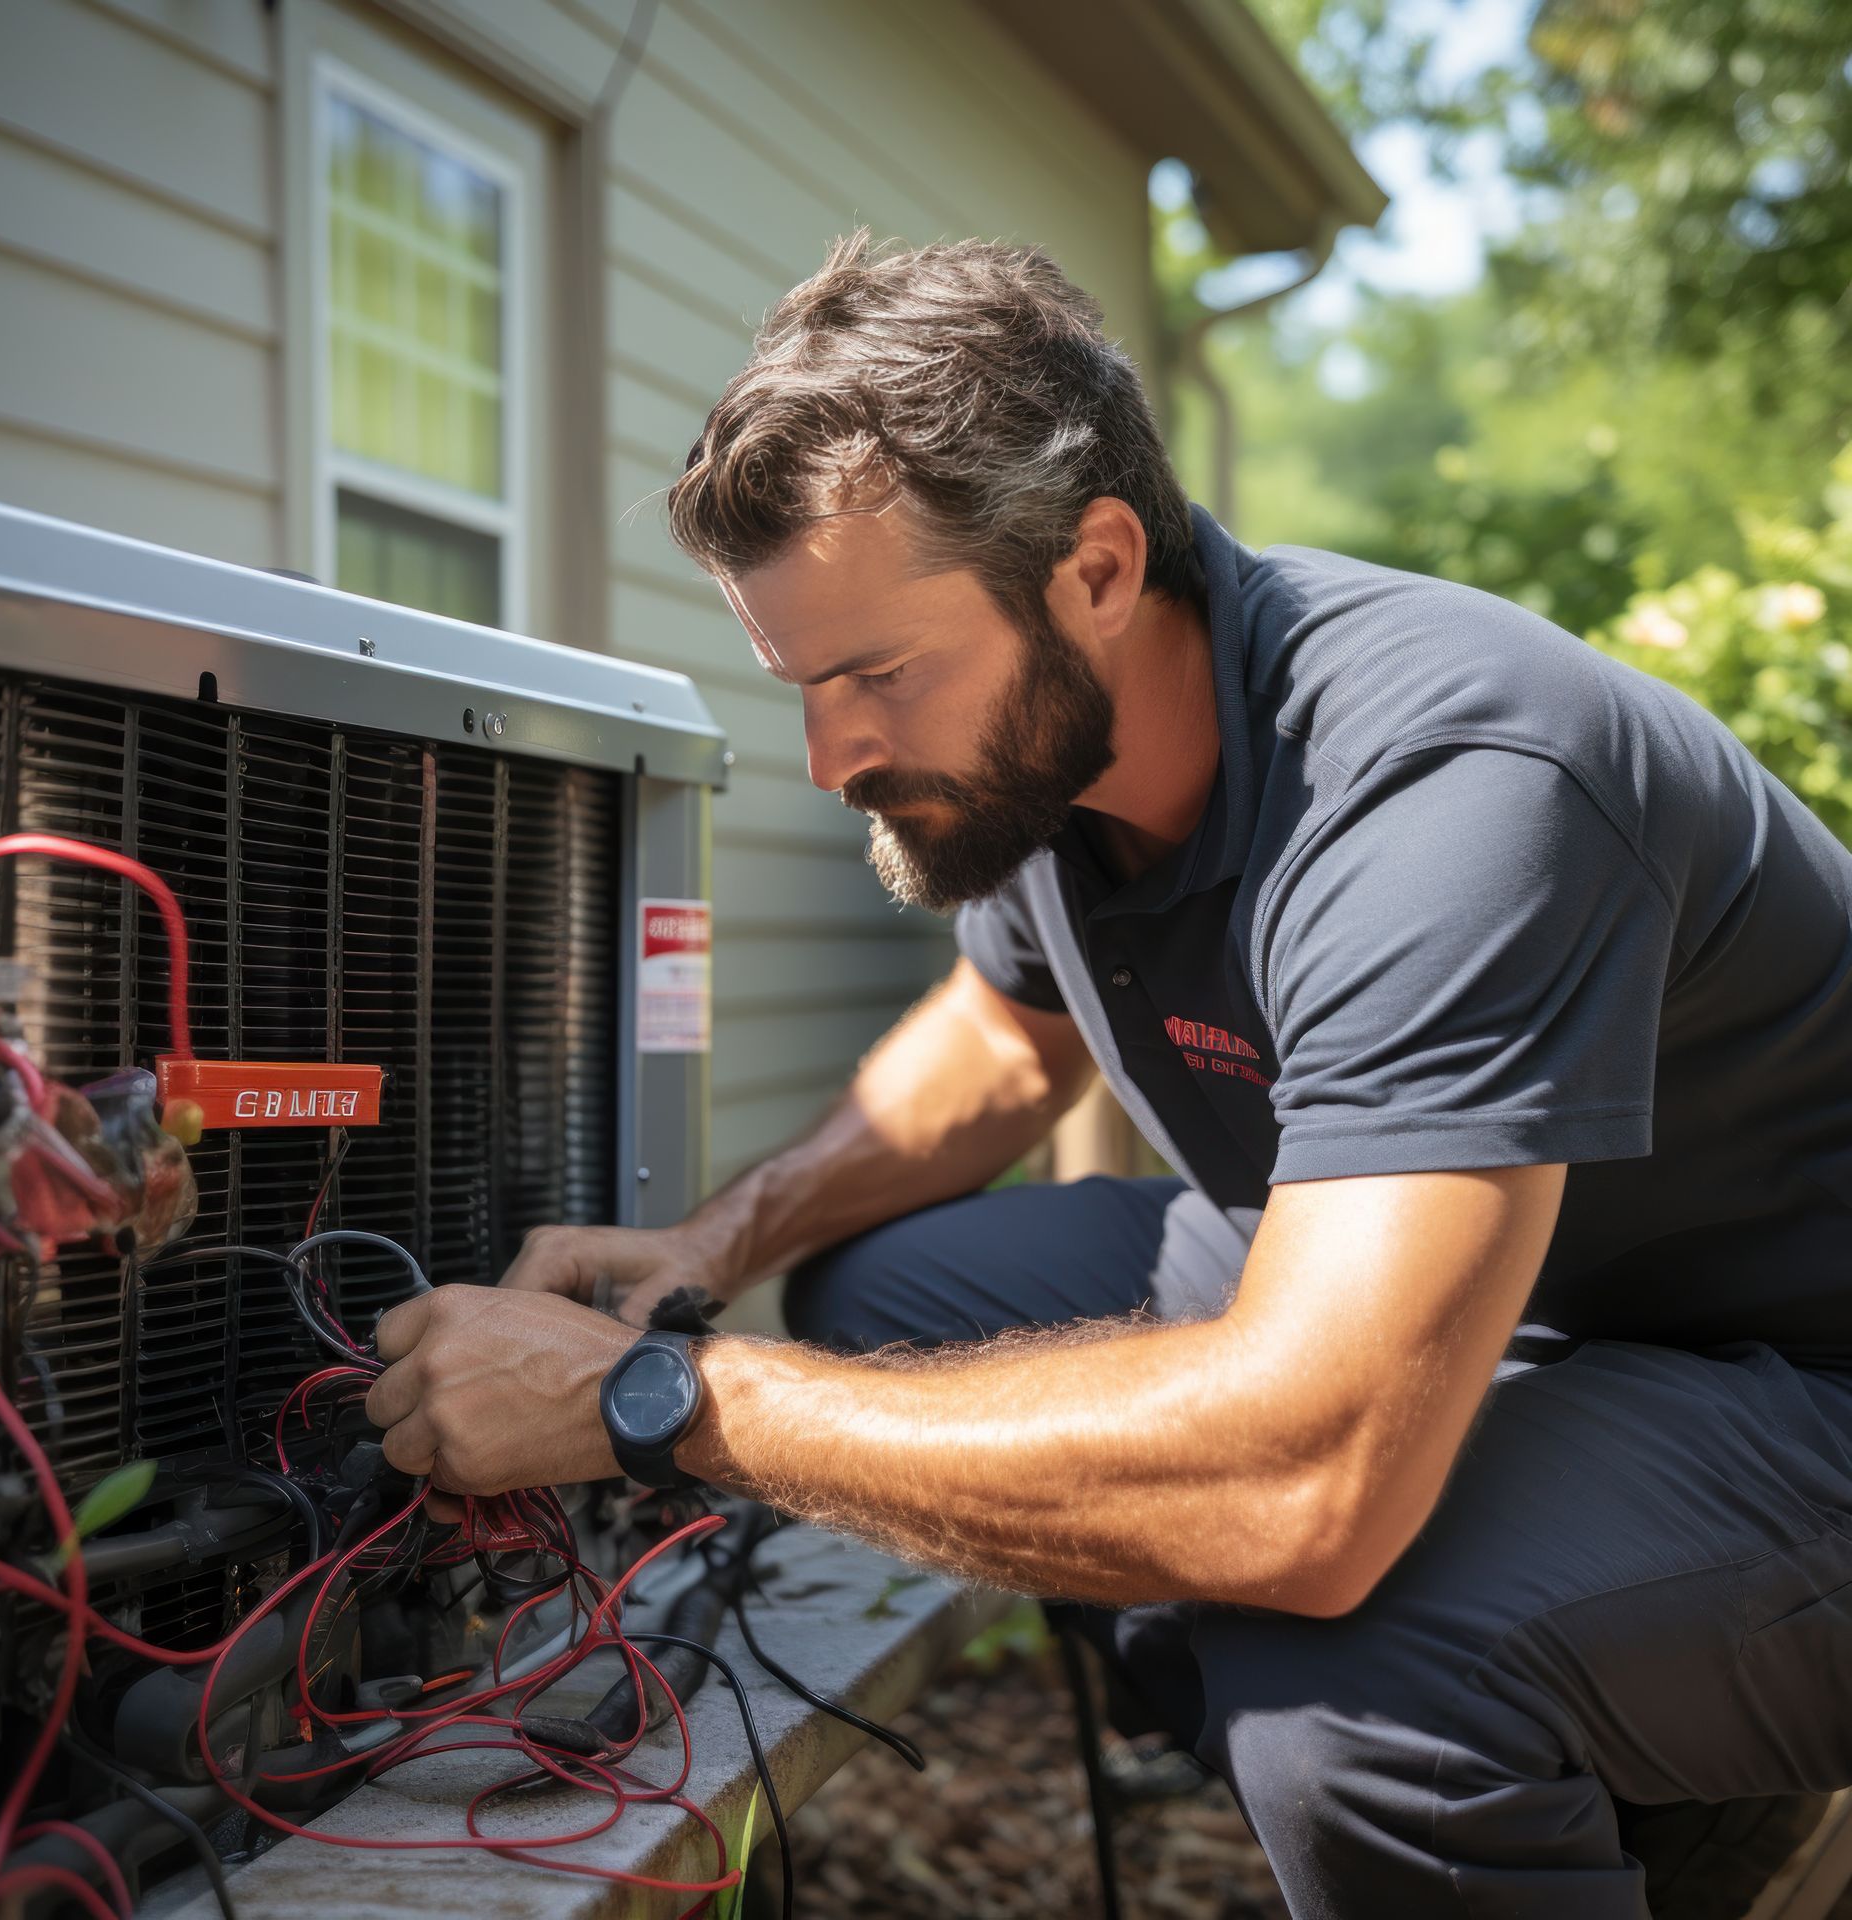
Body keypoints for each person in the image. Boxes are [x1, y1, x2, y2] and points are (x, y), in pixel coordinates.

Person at [364, 232, 1852, 1918]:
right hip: (1461, 1282)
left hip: (1791, 1379)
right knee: (899, 1284)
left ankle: (1601, 1789)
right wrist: (722, 1242)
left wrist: (666, 1404)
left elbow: (1309, 1485)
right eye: (801, 685)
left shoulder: (1446, 785)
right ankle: (1493, 1748)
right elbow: (1004, 1043)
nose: (832, 755)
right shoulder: (1049, 756)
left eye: (877, 676)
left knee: (1362, 1709)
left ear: (1095, 567)